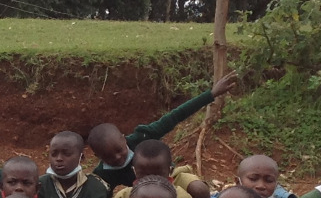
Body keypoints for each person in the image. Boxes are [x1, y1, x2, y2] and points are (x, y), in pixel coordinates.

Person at [87, 72, 237, 191]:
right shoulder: (101, 176)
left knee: (198, 189)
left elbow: (175, 116)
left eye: (119, 150)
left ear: (124, 138)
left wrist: (211, 94)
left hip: (170, 179)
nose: (118, 157)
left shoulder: (143, 137)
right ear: (98, 156)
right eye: (109, 157)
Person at [39, 130, 110, 198]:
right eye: (54, 154)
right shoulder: (39, 184)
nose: (59, 158)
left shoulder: (96, 187)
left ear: (81, 157)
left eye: (67, 154)